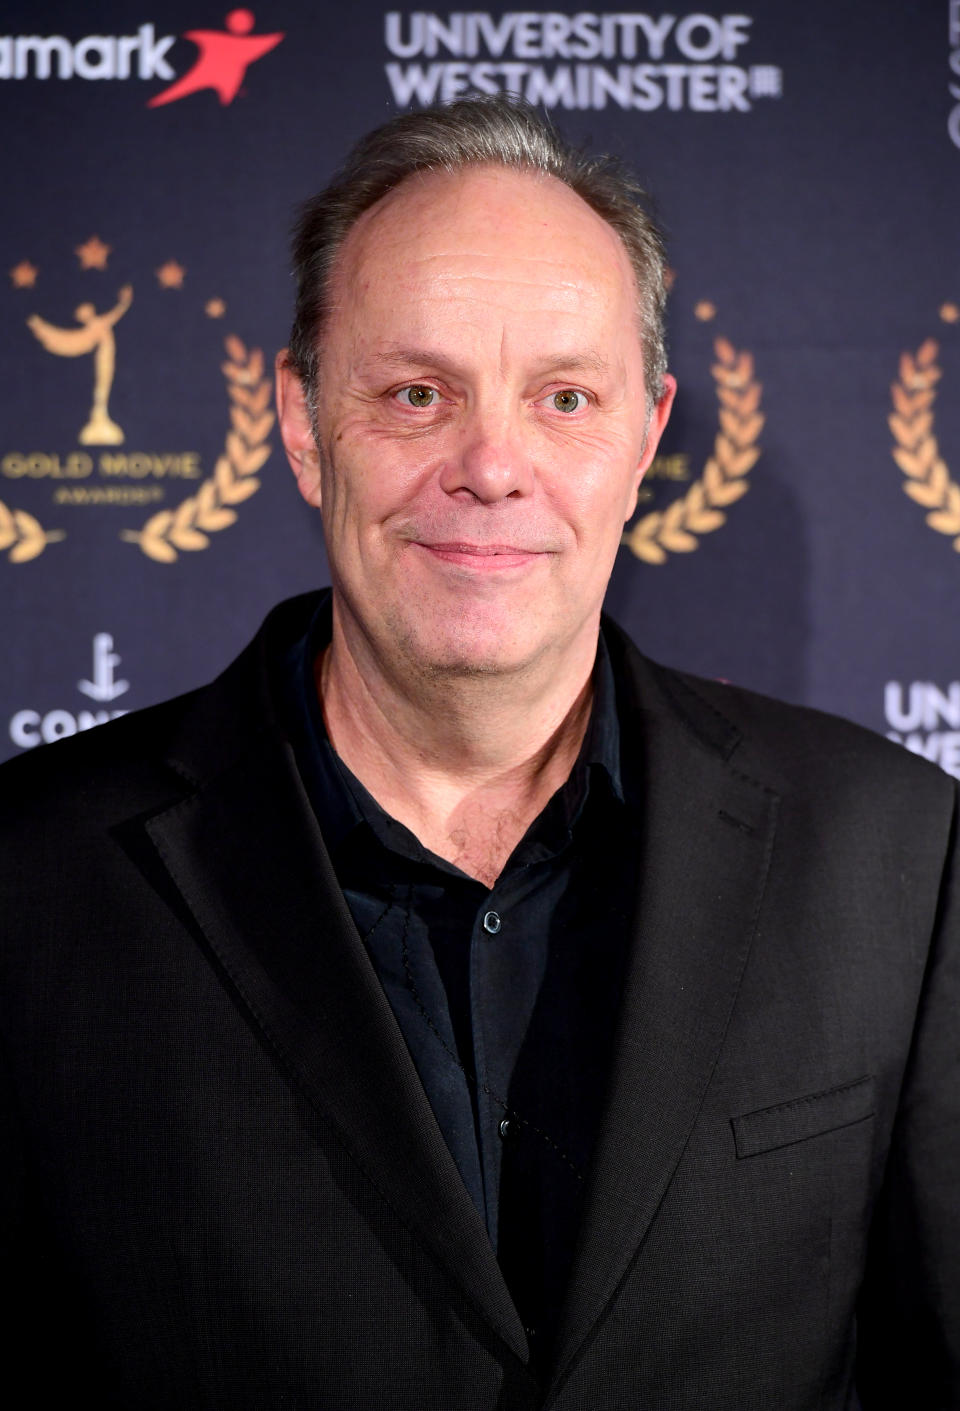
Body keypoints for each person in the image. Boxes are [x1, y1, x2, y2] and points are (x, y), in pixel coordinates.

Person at [1, 97, 958, 1410]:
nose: (492, 465)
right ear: (300, 422)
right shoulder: (35, 875)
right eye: (414, 393)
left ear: (645, 435)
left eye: (564, 397)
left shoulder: (896, 857)